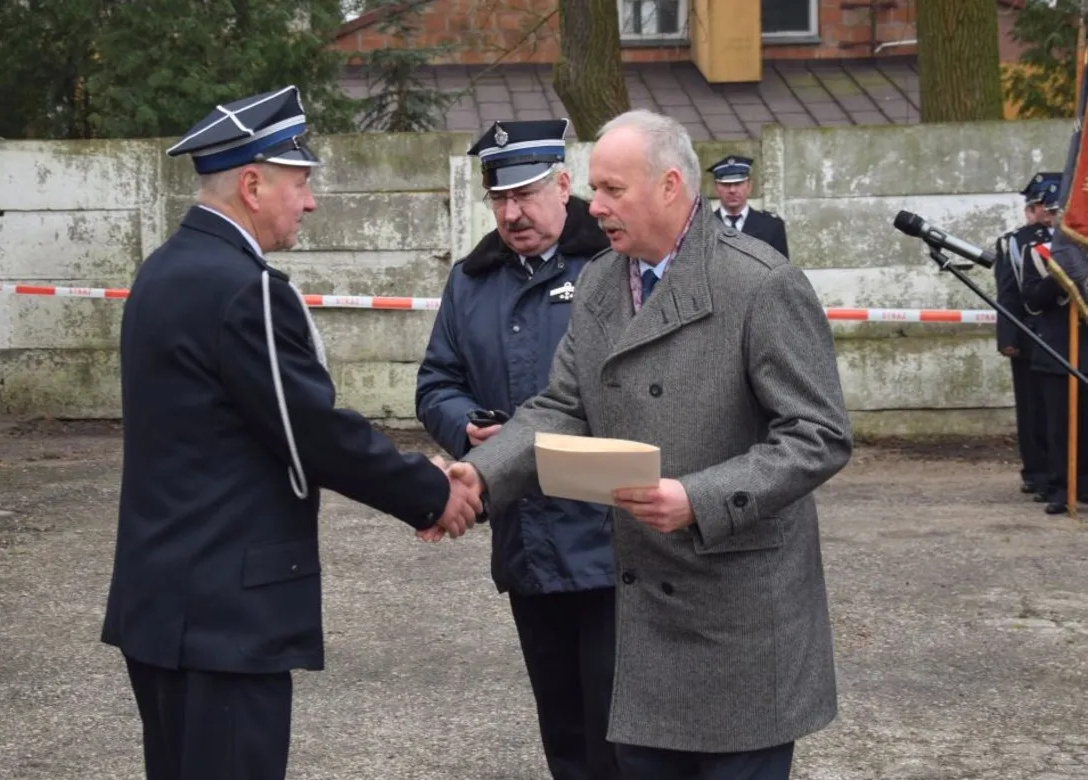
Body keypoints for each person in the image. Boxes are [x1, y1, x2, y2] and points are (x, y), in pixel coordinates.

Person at [446, 109, 852, 779]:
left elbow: (820, 434)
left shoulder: (760, 283)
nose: (594, 205)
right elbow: (561, 407)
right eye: (594, 189)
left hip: (738, 621)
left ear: (669, 186)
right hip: (646, 629)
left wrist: (701, 498)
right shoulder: (603, 281)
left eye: (611, 189)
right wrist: (480, 476)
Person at [100, 85, 481, 780]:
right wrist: (430, 492)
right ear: (252, 184)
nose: (308, 202)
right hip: (223, 617)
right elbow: (311, 431)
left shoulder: (162, 271)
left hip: (163, 608)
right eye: (300, 183)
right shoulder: (246, 288)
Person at [415, 119, 619, 780]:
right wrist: (465, 426)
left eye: (527, 194)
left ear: (565, 185)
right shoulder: (472, 280)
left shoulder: (616, 266)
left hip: (614, 541)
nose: (512, 213)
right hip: (528, 540)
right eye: (499, 199)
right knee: (562, 731)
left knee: (623, 737)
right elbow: (436, 381)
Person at [1020, 174, 1088, 515]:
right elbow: (1030, 300)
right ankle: (1062, 485)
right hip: (1057, 349)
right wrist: (1062, 279)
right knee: (1059, 423)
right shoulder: (1038, 253)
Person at [993, 172, 1059, 498]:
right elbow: (1008, 294)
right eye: (1033, 206)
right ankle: (1037, 471)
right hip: (1029, 334)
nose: (1032, 213)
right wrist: (1008, 338)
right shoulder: (1015, 242)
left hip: (1065, 336)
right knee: (1033, 410)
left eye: (1035, 206)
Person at [707, 154, 788, 257]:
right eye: (726, 184)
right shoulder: (704, 227)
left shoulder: (771, 226)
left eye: (738, 183)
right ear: (716, 188)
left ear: (749, 186)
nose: (732, 190)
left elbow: (782, 271)